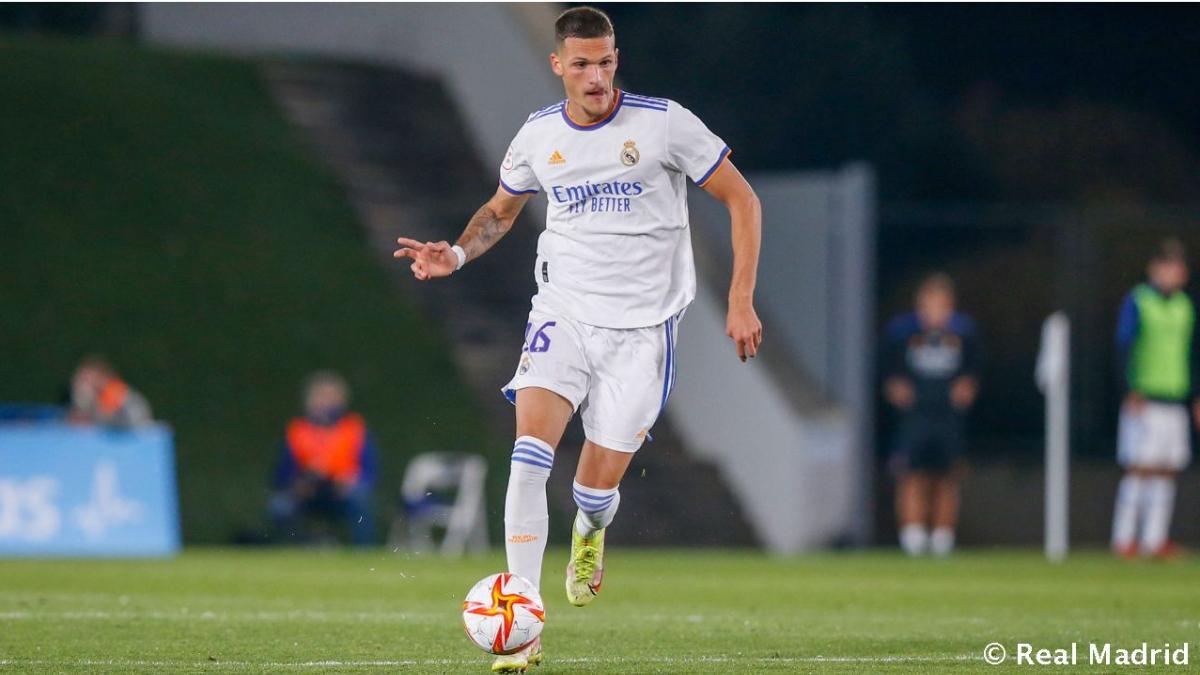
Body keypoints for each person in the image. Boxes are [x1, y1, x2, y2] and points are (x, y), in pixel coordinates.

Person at [394, 6, 762, 671]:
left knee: (594, 489)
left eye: (607, 61)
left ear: (616, 60)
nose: (597, 77)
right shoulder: (538, 136)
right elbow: (499, 211)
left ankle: (590, 530)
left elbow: (743, 199)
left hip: (643, 332)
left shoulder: (662, 124)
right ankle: (523, 623)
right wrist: (454, 252)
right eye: (583, 64)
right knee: (530, 453)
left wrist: (738, 300)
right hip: (562, 313)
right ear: (558, 65)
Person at [882, 273, 981, 557]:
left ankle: (942, 538)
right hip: (916, 417)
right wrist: (894, 387)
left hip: (948, 417)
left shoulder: (964, 333)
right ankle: (913, 537)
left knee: (948, 476)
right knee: (912, 475)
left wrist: (967, 386)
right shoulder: (902, 333)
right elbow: (887, 369)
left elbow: (974, 370)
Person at [1111, 238, 1197, 560]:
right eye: (1168, 265)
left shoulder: (1184, 306)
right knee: (1139, 467)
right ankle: (1124, 539)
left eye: (1178, 266)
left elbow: (1192, 355)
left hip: (1175, 396)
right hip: (1144, 397)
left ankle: (1155, 539)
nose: (1174, 272)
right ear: (1155, 268)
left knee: (1167, 469)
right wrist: (1128, 389)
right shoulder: (1138, 300)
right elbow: (1122, 346)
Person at [269, 371, 378, 547]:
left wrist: (351, 481)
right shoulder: (298, 430)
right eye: (320, 396)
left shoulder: (354, 428)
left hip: (341, 493)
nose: (324, 402)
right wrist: (297, 485)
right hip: (308, 494)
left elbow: (369, 472)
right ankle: (298, 547)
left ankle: (364, 552)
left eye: (330, 396)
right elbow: (280, 475)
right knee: (280, 506)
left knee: (360, 499)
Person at [68, 356, 153, 428]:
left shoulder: (116, 392)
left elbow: (103, 420)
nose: (83, 383)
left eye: (87, 379)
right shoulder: (94, 396)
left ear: (101, 377)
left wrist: (83, 401)